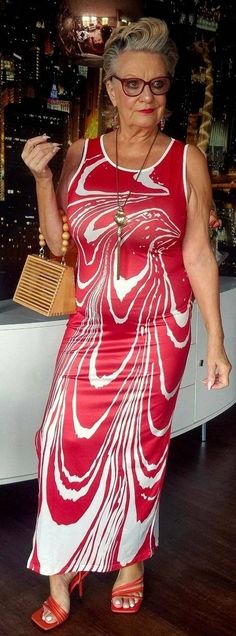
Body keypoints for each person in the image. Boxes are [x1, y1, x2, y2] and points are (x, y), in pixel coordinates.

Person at [21, 17, 231, 631]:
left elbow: (197, 252)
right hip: (89, 328)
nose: (147, 98)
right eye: (133, 86)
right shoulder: (79, 156)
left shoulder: (184, 159)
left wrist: (215, 342)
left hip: (160, 332)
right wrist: (40, 179)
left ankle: (130, 562)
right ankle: (63, 565)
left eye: (159, 86)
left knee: (141, 453)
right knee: (61, 440)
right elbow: (61, 243)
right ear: (110, 88)